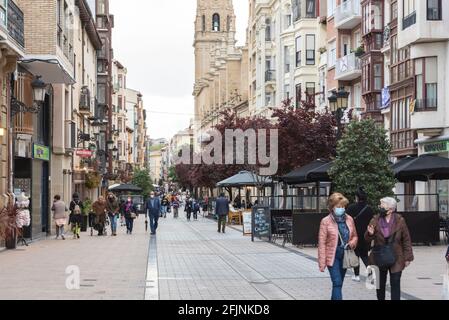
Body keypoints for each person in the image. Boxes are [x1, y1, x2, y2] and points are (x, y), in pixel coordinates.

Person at [365, 197, 414, 301]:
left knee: (395, 282)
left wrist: (407, 258)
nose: (380, 207)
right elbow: (367, 238)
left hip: (396, 256)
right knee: (380, 284)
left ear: (391, 209)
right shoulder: (375, 219)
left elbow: (406, 239)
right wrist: (370, 233)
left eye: (382, 206)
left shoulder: (400, 220)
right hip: (379, 256)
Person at [318, 193, 358, 300]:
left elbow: (354, 236)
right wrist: (322, 262)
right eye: (339, 207)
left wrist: (352, 243)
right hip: (333, 255)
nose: (342, 209)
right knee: (337, 282)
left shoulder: (349, 219)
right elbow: (321, 243)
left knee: (339, 284)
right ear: (332, 207)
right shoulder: (325, 221)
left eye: (343, 207)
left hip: (345, 254)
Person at [346, 187, 374, 281]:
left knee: (355, 256)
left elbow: (347, 221)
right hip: (366, 236)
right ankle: (370, 274)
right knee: (365, 256)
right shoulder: (369, 209)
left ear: (357, 197)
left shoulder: (351, 208)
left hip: (355, 235)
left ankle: (357, 276)